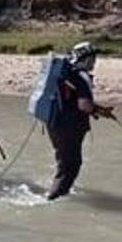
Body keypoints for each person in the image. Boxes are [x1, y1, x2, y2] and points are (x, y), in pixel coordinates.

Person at [45, 41, 113, 201]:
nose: (94, 62)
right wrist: (97, 111)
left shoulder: (66, 72)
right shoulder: (82, 76)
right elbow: (84, 105)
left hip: (53, 122)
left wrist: (99, 110)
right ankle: (52, 199)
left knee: (64, 162)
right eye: (93, 58)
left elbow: (74, 100)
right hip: (69, 127)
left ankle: (58, 192)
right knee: (70, 166)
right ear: (86, 59)